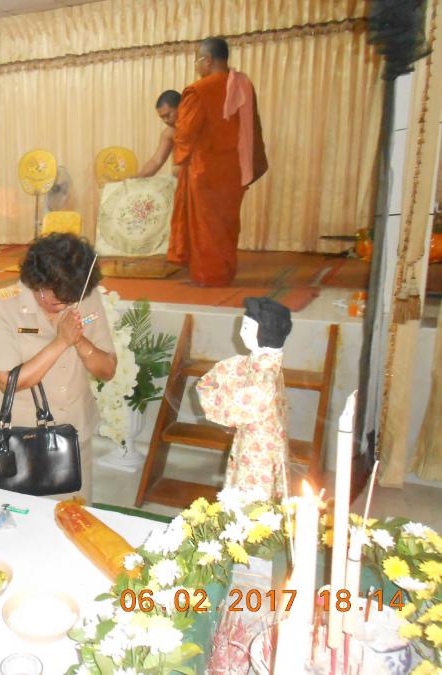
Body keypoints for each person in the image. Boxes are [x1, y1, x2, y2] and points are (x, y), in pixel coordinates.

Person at [0, 233, 116, 502]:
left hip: (73, 434)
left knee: (73, 515)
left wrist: (80, 341)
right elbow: (7, 382)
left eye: (69, 300)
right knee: (21, 515)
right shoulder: (4, 304)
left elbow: (107, 370)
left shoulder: (85, 296)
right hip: (21, 439)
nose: (61, 306)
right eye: (54, 299)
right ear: (37, 281)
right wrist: (61, 341)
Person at [168, 37, 267, 286]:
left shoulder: (199, 90)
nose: (197, 67)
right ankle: (225, 271)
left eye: (197, 61)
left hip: (205, 171)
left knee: (205, 227)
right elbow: (253, 127)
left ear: (208, 59)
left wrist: (179, 160)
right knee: (227, 224)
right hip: (235, 169)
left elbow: (185, 133)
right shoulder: (243, 84)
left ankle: (209, 276)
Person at [196, 297, 292, 497]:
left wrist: (214, 394)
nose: (241, 333)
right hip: (251, 440)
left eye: (247, 327)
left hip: (261, 450)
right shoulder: (260, 363)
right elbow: (220, 376)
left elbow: (234, 410)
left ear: (265, 333)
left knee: (255, 498)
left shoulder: (266, 376)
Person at [136, 90, 181, 178]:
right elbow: (156, 161)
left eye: (168, 115)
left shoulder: (200, 124)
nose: (166, 120)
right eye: (162, 117)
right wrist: (136, 180)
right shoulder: (169, 132)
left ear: (181, 107)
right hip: (180, 181)